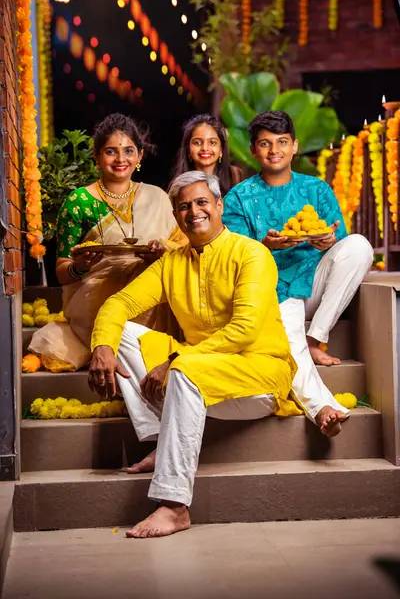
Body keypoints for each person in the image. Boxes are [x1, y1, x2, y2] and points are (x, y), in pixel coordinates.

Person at [89, 171, 301, 538]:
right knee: (121, 331)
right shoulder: (173, 263)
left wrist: (175, 362)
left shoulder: (251, 253)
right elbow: (121, 302)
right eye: (183, 206)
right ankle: (160, 440)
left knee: (185, 371)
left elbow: (244, 330)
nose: (194, 212)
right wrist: (102, 345)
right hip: (201, 367)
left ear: (219, 206)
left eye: (202, 202)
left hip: (259, 374)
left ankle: (174, 505)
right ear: (176, 216)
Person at [223, 110, 374, 436]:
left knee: (359, 245)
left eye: (281, 142)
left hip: (313, 281)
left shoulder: (317, 190)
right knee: (286, 329)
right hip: (270, 289)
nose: (274, 150)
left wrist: (328, 241)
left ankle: (316, 336)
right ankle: (323, 409)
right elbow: (233, 255)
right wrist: (264, 245)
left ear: (294, 147)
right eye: (265, 143)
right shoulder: (238, 198)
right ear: (253, 150)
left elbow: (341, 243)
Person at [29, 113, 186, 372]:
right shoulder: (79, 202)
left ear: (140, 156)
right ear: (97, 156)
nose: (121, 159)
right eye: (111, 151)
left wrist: (163, 251)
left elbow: (182, 247)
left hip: (149, 306)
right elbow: (62, 271)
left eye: (128, 151)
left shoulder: (157, 197)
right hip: (93, 307)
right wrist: (79, 267)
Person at [172, 114, 242, 196]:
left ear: (221, 150)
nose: (205, 148)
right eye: (197, 142)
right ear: (188, 150)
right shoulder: (178, 187)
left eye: (212, 142)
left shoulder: (234, 177)